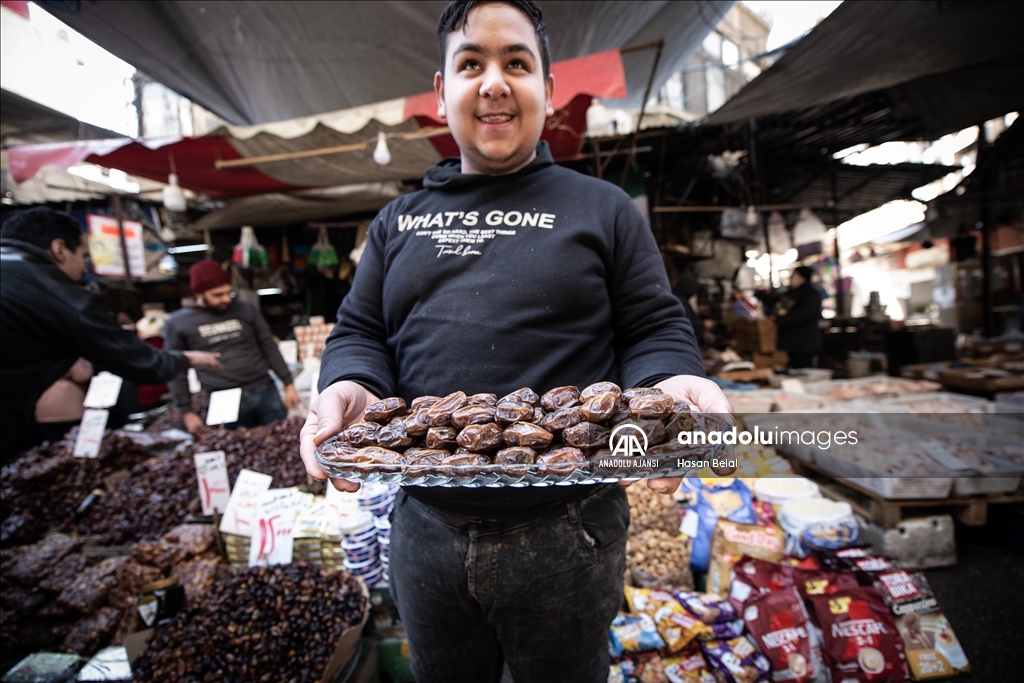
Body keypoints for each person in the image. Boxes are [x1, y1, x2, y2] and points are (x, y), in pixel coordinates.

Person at [298, 2, 731, 681]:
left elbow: (653, 325)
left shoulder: (603, 208)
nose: (494, 82)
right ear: (441, 93)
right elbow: (360, 332)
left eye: (517, 63)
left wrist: (671, 381)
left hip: (569, 529)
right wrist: (348, 383)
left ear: (549, 90)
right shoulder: (397, 222)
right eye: (471, 63)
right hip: (426, 527)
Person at [0, 208, 221, 464]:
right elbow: (144, 365)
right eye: (83, 257)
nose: (84, 269)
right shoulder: (61, 297)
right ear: (59, 249)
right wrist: (188, 358)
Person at [165, 260, 300, 435]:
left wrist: (288, 383)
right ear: (199, 293)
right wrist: (186, 411)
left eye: (229, 292)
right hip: (222, 399)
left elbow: (269, 347)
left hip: (265, 390)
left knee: (280, 441)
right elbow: (176, 369)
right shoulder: (179, 323)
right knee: (235, 450)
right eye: (218, 294)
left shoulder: (245, 310)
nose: (226, 298)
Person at [775, 265, 822, 369]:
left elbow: (805, 313)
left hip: (804, 344)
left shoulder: (810, 294)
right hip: (790, 344)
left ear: (802, 277)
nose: (790, 277)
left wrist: (781, 321)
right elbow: (780, 306)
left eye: (794, 275)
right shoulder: (792, 293)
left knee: (803, 372)